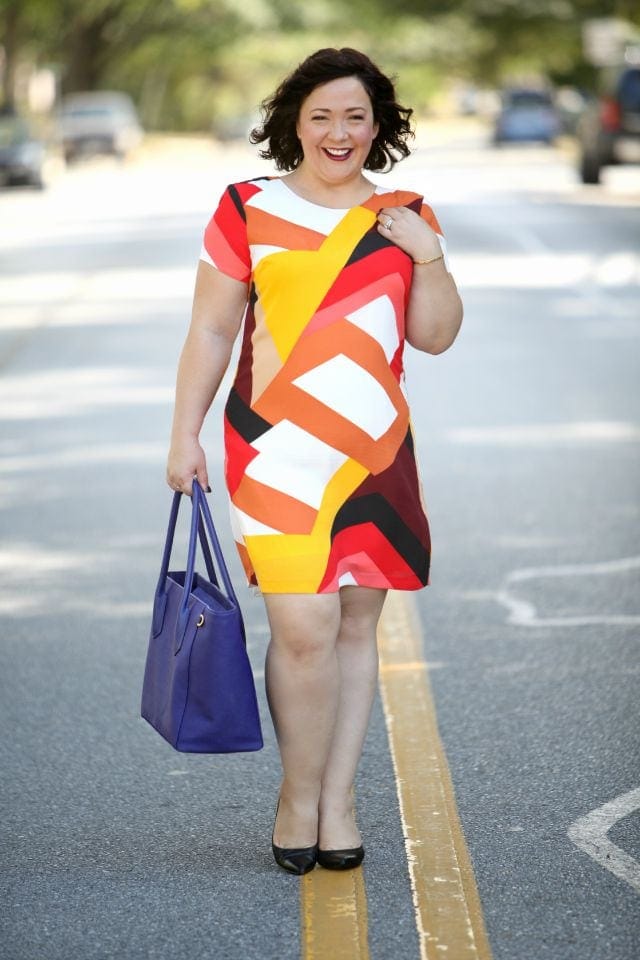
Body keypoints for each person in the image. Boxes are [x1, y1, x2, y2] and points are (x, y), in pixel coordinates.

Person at [166, 47, 463, 875]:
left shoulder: (404, 212)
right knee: (303, 630)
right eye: (322, 116)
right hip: (274, 450)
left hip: (374, 454)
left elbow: (435, 335)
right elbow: (213, 331)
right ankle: (298, 796)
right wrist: (183, 434)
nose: (340, 132)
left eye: (356, 117)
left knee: (356, 628)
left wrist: (428, 256)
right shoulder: (247, 207)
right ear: (294, 121)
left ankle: (339, 802)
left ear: (380, 126)